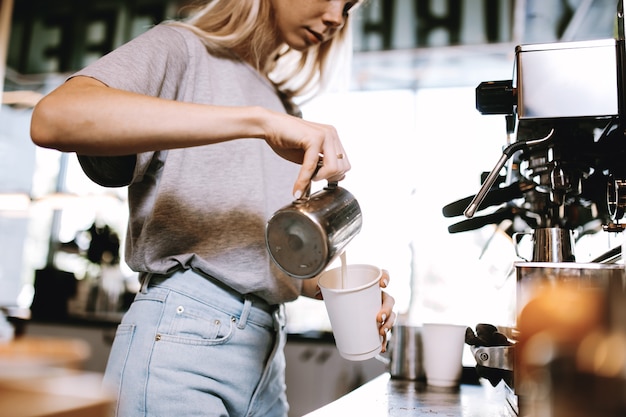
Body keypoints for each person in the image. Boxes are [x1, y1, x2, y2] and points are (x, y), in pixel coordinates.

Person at [30, 0, 396, 416]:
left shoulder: (282, 106)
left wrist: (342, 290)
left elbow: (265, 259)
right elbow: (53, 118)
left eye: (348, 7)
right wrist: (259, 122)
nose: (336, 17)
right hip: (184, 338)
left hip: (265, 361)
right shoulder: (183, 50)